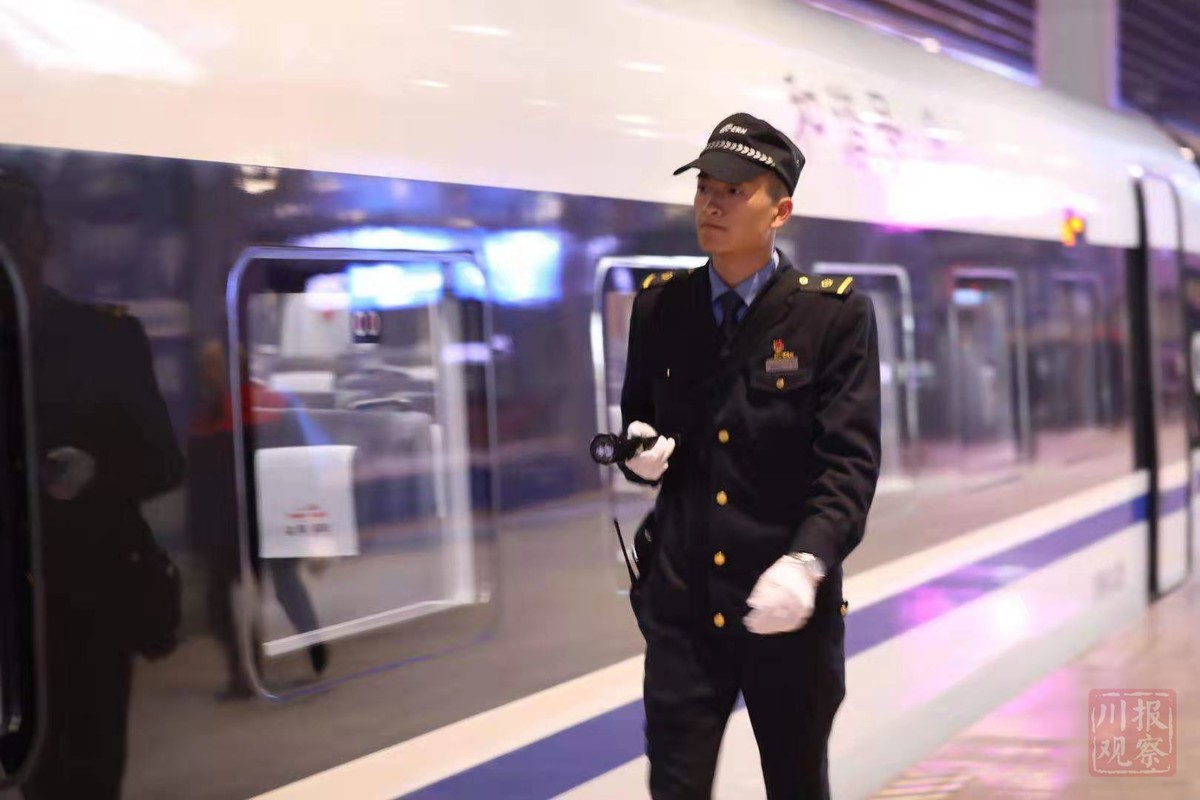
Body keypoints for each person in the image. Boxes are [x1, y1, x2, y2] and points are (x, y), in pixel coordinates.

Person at [618, 113, 882, 799]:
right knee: (675, 788)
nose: (712, 203)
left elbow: (849, 465)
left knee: (796, 784)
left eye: (734, 190)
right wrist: (639, 456)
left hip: (786, 612)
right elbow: (638, 422)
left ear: (780, 211)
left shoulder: (831, 318)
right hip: (682, 610)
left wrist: (807, 563)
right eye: (705, 186)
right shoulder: (660, 309)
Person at [0, 163, 185, 798]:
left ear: (42, 239)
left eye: (16, 231)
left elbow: (165, 462)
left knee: (83, 779)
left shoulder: (106, 339)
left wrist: (95, 471)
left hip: (88, 617)